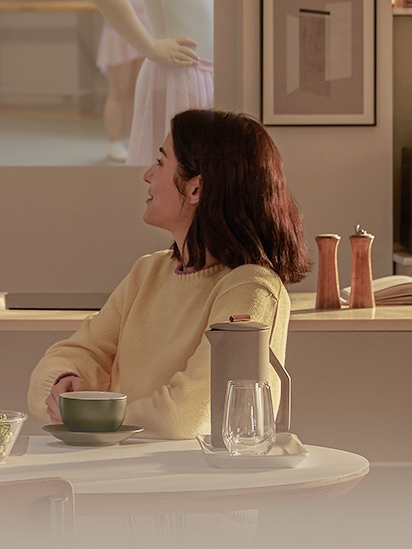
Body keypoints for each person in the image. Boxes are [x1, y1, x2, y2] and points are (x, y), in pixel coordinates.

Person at [26, 109, 312, 440]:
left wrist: (91, 417)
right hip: (115, 466)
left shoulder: (251, 289)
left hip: (188, 482)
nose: (147, 174)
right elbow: (72, 355)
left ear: (195, 189)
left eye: (161, 162)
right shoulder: (147, 272)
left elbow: (188, 415)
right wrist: (64, 383)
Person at [93, 0, 213, 167]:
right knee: (175, 175)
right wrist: (151, 47)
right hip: (181, 73)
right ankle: (115, 141)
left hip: (213, 73)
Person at [95, 0, 149, 163]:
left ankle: (134, 140)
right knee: (118, 92)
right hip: (119, 31)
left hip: (145, 30)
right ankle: (115, 143)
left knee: (137, 91)